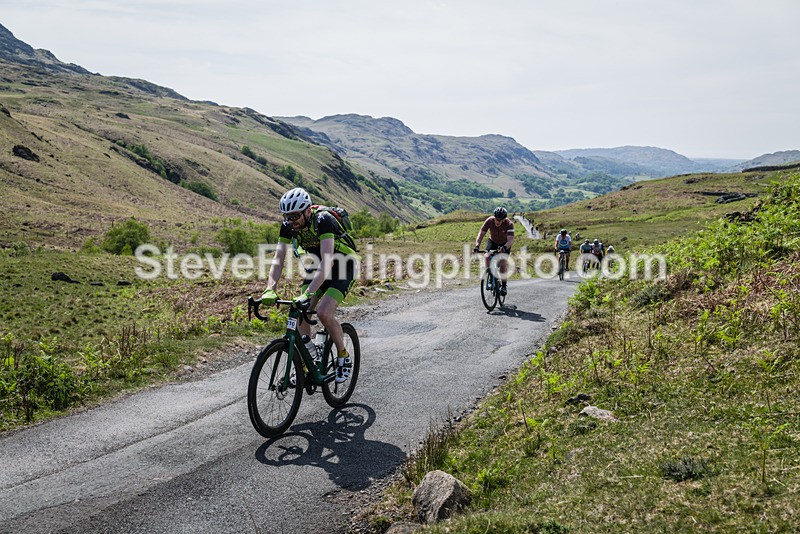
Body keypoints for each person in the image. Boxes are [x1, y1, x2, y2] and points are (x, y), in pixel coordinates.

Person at [261, 187, 359, 383]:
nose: (292, 221)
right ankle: (307, 361)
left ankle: (343, 355)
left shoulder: (323, 220)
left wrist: (309, 293)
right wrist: (270, 288)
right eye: (287, 216)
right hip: (318, 267)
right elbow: (278, 260)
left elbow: (328, 262)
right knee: (301, 310)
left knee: (324, 313)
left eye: (295, 216)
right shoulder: (288, 226)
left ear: (307, 211)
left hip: (343, 266)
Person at [473, 206, 515, 296]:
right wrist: (477, 246)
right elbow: (481, 234)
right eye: (496, 219)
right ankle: (491, 277)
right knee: (487, 257)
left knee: (503, 262)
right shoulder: (489, 221)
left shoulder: (509, 224)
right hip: (492, 242)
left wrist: (504, 247)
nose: (497, 221)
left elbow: (510, 240)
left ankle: (503, 286)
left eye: (500, 220)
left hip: (504, 244)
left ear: (504, 219)